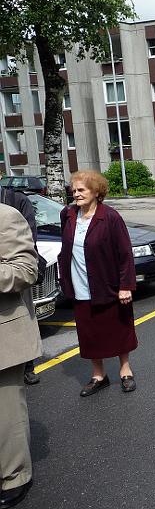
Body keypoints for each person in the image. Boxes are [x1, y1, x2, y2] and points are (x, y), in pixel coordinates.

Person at [57, 170, 138, 396]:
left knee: (118, 328)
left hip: (109, 285)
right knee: (89, 332)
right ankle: (98, 375)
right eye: (74, 190)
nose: (76, 194)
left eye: (81, 190)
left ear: (96, 191)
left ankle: (125, 371)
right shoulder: (68, 215)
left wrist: (125, 286)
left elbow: (125, 254)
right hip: (80, 284)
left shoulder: (110, 217)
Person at [0, 204, 40, 508]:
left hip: (4, 336)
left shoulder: (6, 216)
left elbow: (26, 271)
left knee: (6, 414)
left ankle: (15, 476)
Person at [0, 183, 41, 385]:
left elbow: (26, 263)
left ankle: (27, 366)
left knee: (23, 312)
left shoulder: (15, 202)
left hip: (12, 288)